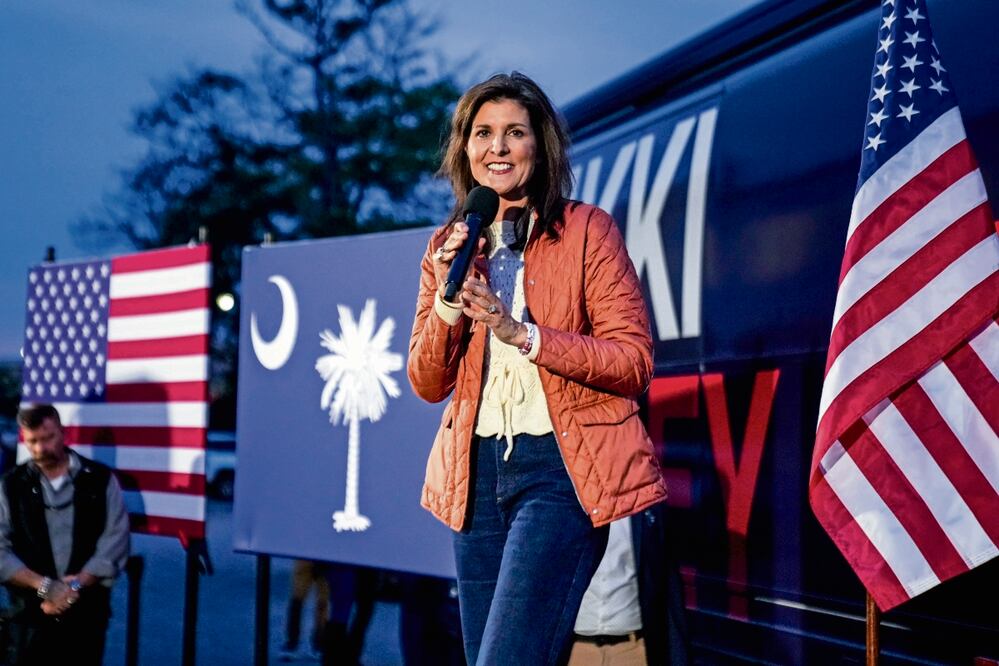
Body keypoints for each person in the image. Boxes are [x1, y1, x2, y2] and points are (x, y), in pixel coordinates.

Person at [407, 72, 667, 665]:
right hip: (473, 474)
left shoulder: (586, 230)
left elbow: (633, 360)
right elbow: (426, 382)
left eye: (513, 133)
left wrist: (520, 333)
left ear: (539, 146)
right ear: (465, 149)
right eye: (483, 133)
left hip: (559, 470)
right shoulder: (447, 244)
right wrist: (451, 297)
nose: (496, 147)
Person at [0, 404, 130, 664]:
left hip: (85, 620)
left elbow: (115, 540)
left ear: (64, 433)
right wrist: (45, 587)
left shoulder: (100, 480)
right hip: (29, 622)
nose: (40, 449)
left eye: (48, 438)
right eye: (32, 441)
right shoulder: (11, 485)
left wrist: (73, 586)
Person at [570, 505, 690, 666]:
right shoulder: (558, 504)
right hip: (574, 652)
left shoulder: (648, 506)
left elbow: (668, 588)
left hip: (633, 652)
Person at [279, 560, 329, 661]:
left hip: (313, 556)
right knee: (299, 601)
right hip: (321, 557)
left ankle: (295, 643)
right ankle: (314, 644)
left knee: (319, 603)